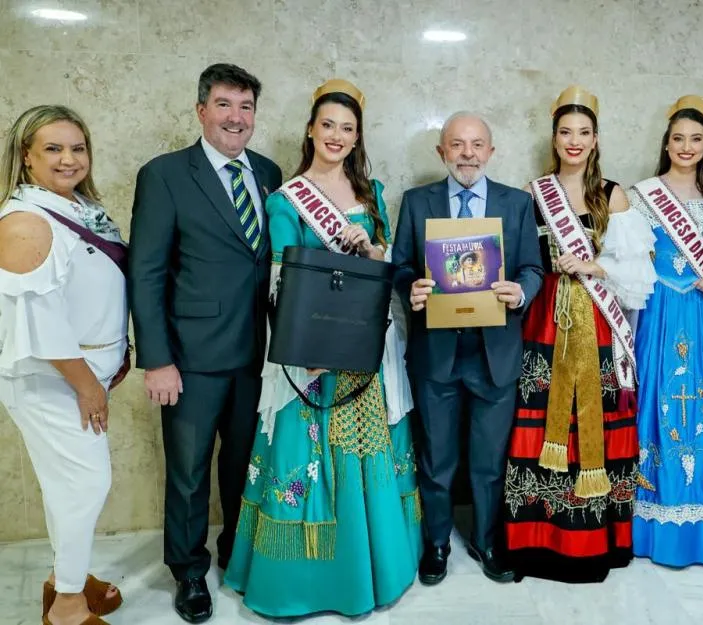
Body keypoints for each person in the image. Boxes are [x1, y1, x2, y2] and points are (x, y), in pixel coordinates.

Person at [223, 78, 420, 617]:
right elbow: (282, 275)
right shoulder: (285, 199)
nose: (336, 136)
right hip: (313, 352)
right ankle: (307, 583)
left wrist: (374, 251)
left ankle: (375, 567)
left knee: (369, 454)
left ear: (357, 138)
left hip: (366, 347)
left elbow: (387, 260)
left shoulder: (373, 193)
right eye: (327, 125)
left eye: (347, 129)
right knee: (307, 455)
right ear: (311, 130)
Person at [128, 63, 282, 623]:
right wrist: (158, 360)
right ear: (201, 110)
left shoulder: (268, 171)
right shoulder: (165, 174)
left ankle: (235, 552)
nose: (235, 118)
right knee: (189, 473)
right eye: (224, 105)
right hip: (190, 360)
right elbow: (145, 273)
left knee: (243, 465)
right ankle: (189, 572)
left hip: (256, 355)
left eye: (245, 107)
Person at [503, 86, 655, 583]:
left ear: (595, 140)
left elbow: (637, 277)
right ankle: (535, 540)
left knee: (590, 416)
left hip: (595, 320)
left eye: (583, 133)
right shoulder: (532, 193)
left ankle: (594, 542)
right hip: (544, 317)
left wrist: (591, 263)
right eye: (566, 132)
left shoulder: (612, 194)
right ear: (554, 138)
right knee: (543, 418)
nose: (574, 141)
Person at [392, 110, 544, 585]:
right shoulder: (417, 202)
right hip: (436, 353)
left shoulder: (516, 203)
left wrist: (519, 292)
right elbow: (399, 266)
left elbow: (532, 268)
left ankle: (486, 539)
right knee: (436, 460)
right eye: (457, 144)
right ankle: (436, 543)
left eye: (477, 144)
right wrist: (409, 289)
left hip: (494, 354)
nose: (467, 154)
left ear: (491, 151)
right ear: (442, 152)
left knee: (488, 460)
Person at [0, 105, 129, 625]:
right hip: (53, 380)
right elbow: (42, 322)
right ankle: (70, 609)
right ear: (27, 159)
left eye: (77, 147)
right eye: (52, 149)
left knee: (65, 485)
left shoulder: (75, 209)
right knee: (85, 484)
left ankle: (63, 581)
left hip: (78, 376)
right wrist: (87, 387)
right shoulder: (27, 222)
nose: (68, 158)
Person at [628, 95, 703, 568]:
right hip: (659, 311)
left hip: (700, 311)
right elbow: (628, 255)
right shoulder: (642, 195)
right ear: (666, 142)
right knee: (656, 398)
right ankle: (651, 518)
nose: (686, 146)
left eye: (695, 139)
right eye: (678, 138)